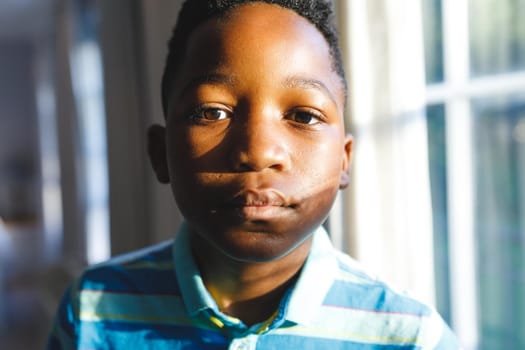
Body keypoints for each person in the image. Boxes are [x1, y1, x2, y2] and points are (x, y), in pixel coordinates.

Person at [47, 0, 461, 348]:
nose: (258, 152)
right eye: (212, 112)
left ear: (344, 161)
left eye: (303, 115)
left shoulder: (408, 337)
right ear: (161, 153)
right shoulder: (92, 310)